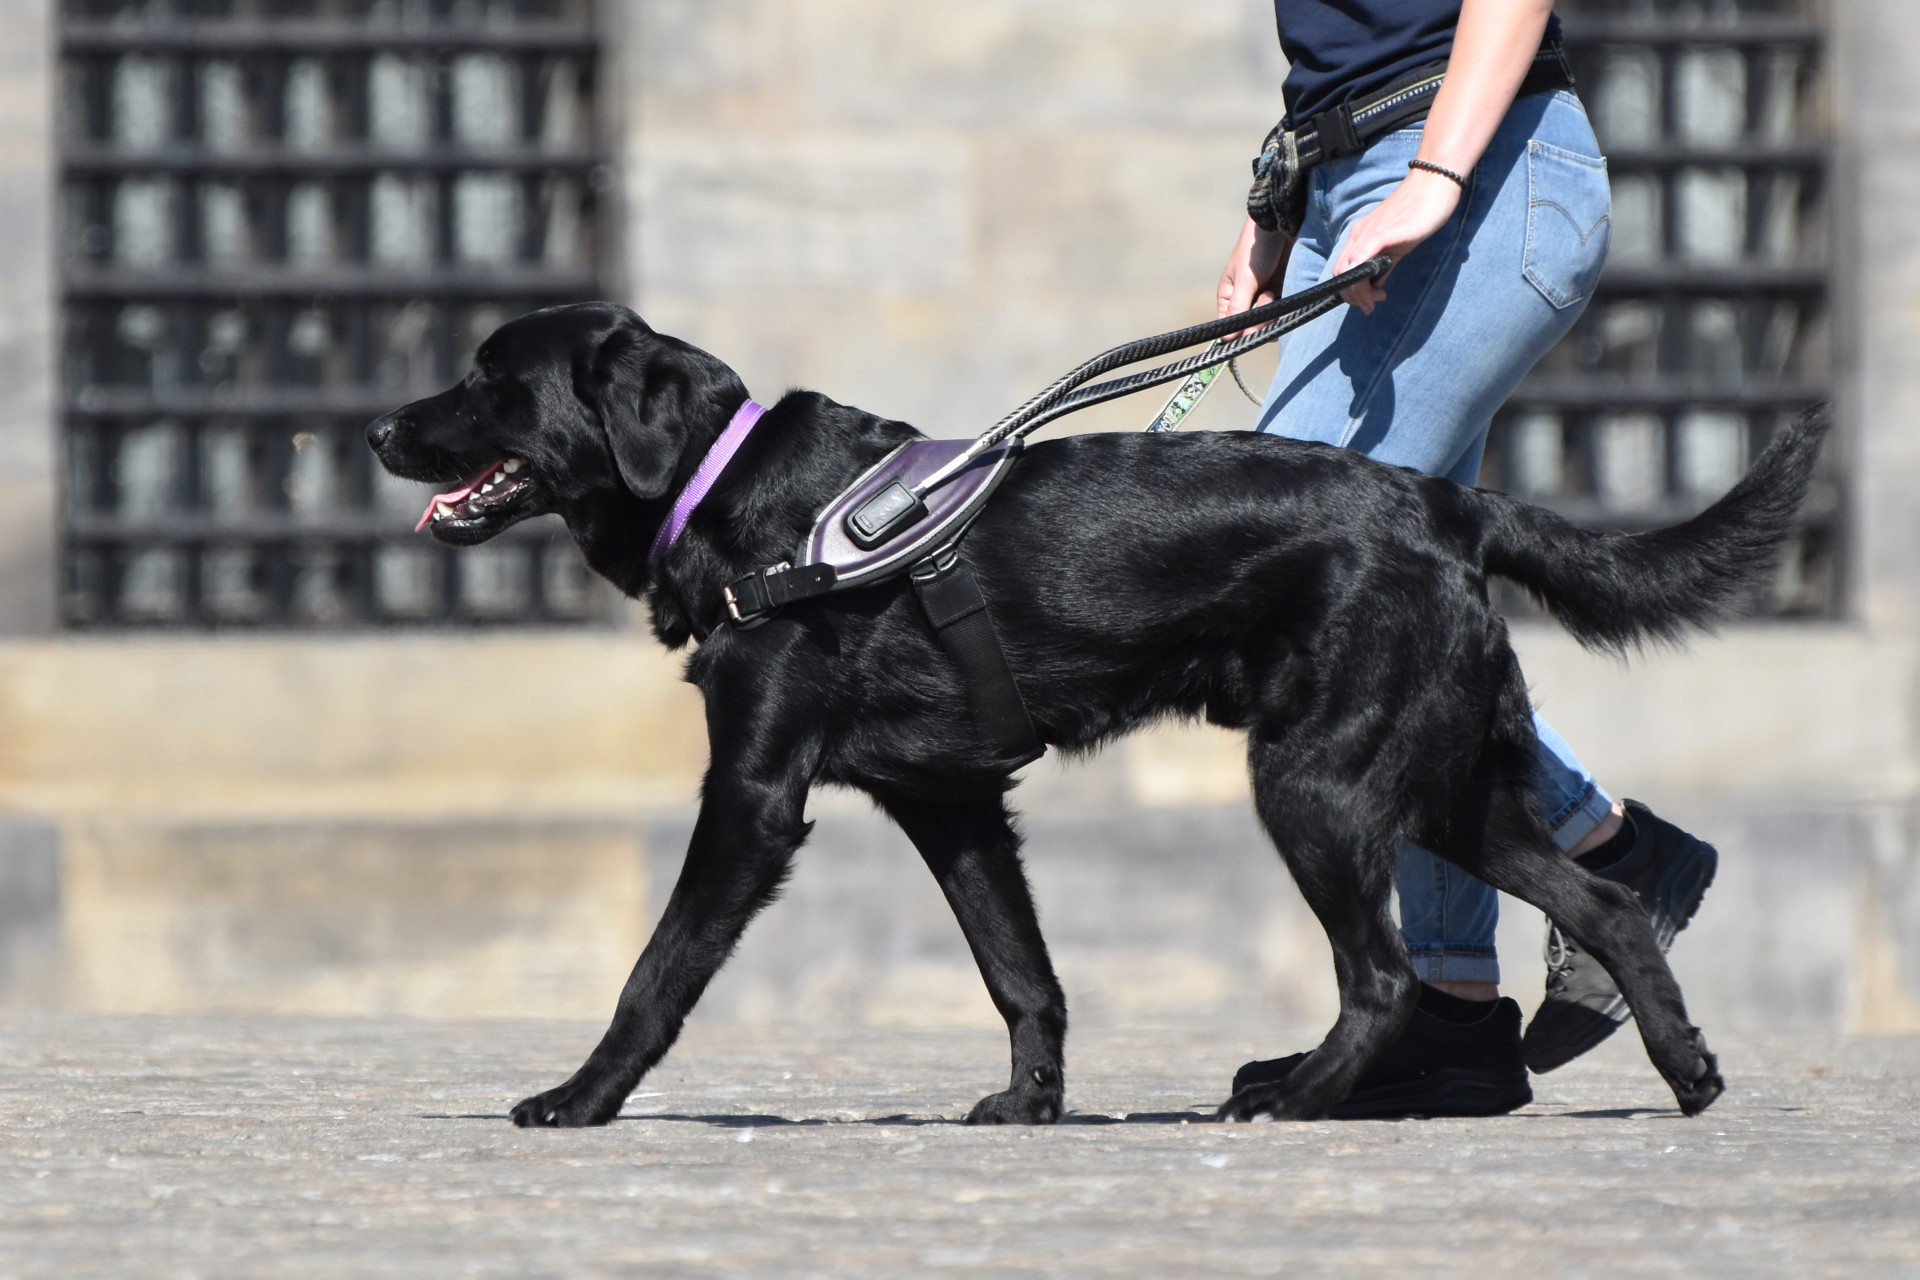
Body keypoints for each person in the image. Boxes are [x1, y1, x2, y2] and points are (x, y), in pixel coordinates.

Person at [1217, 0, 1720, 1116]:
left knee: (1293, 574)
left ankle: (1600, 846)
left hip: (1479, 171)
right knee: (1391, 598)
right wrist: (1278, 204)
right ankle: (1453, 1012)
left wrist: (1436, 178)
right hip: (1361, 186)